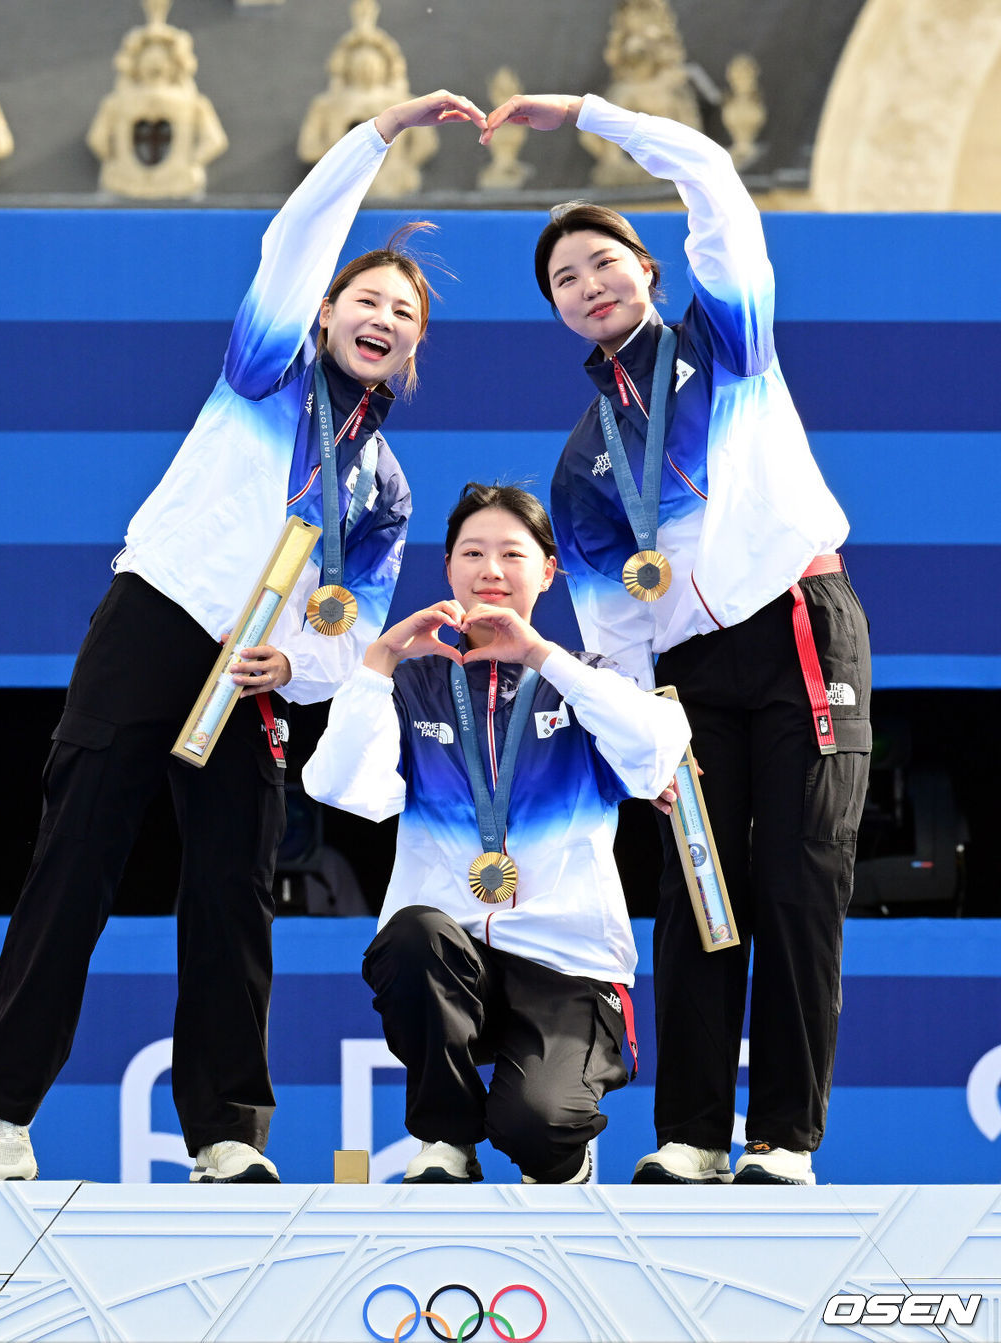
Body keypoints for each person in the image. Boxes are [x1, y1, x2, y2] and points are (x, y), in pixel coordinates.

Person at [0, 90, 487, 1185]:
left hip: (252, 678)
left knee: (232, 890)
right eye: (366, 296)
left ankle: (226, 1132)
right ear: (320, 312)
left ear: (410, 357)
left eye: (404, 315)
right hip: (156, 620)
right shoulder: (262, 371)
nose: (383, 317)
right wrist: (379, 135)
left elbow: (346, 629)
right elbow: (293, 236)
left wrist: (293, 664)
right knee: (77, 860)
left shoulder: (386, 488)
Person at [481, 94, 871, 1186]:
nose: (589, 284)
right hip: (688, 675)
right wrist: (641, 743)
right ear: (556, 312)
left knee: (797, 879)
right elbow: (610, 631)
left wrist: (589, 115)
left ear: (648, 268)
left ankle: (784, 1139)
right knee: (699, 887)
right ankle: (693, 1134)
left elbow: (712, 179)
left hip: (797, 625)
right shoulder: (578, 463)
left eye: (603, 262)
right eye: (564, 280)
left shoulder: (726, 337)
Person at [303, 484, 690, 1183]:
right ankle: (445, 1140)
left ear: (548, 570)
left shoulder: (588, 679)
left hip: (567, 965)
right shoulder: (415, 685)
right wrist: (379, 661)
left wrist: (544, 657)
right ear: (448, 567)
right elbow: (337, 786)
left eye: (513, 553)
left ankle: (558, 1141)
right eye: (473, 552)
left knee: (537, 1127)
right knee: (414, 932)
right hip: (456, 961)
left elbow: (659, 749)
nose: (491, 569)